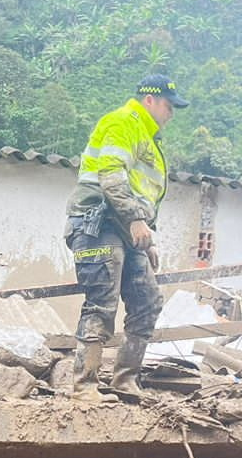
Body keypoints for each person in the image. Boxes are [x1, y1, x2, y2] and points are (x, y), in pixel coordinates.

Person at [64, 72, 186, 401]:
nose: (171, 113)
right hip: (97, 224)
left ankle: (125, 380)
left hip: (125, 229)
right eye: (168, 105)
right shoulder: (123, 122)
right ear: (150, 100)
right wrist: (135, 220)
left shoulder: (146, 135)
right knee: (102, 303)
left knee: (147, 300)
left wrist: (148, 240)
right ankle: (84, 386)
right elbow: (111, 175)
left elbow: (141, 192)